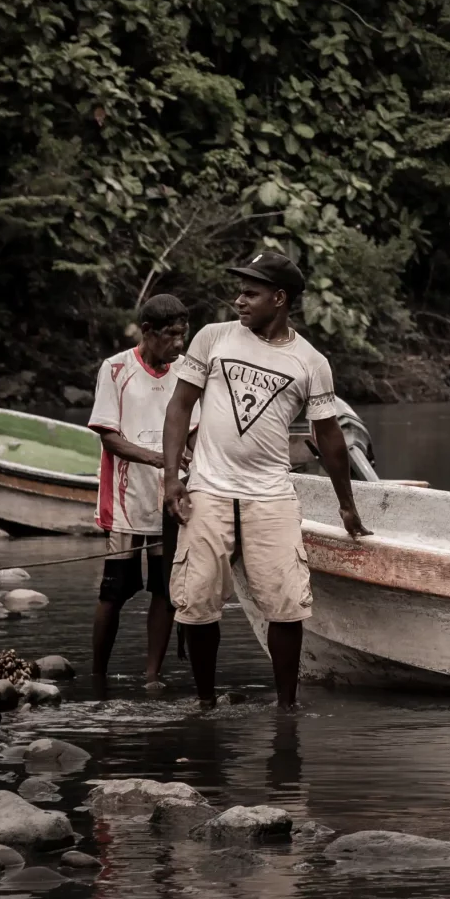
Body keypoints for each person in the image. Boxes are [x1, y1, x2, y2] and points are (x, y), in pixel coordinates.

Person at [157, 249, 369, 709]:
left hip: (271, 496)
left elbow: (330, 437)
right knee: (196, 602)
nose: (239, 301)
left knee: (287, 605)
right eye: (239, 292)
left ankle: (287, 707)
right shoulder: (213, 338)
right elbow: (180, 406)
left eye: (250, 293)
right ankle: (206, 703)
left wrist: (347, 505)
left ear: (279, 298)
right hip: (208, 489)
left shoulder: (310, 361)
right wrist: (173, 477)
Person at [87, 293, 190, 686]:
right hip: (126, 499)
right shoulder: (116, 369)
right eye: (170, 335)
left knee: (164, 589)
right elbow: (109, 437)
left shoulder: (185, 371)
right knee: (113, 590)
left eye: (182, 334)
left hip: (170, 496)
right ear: (148, 331)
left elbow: (193, 431)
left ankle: (152, 675)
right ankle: (98, 674)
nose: (178, 343)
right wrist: (160, 459)